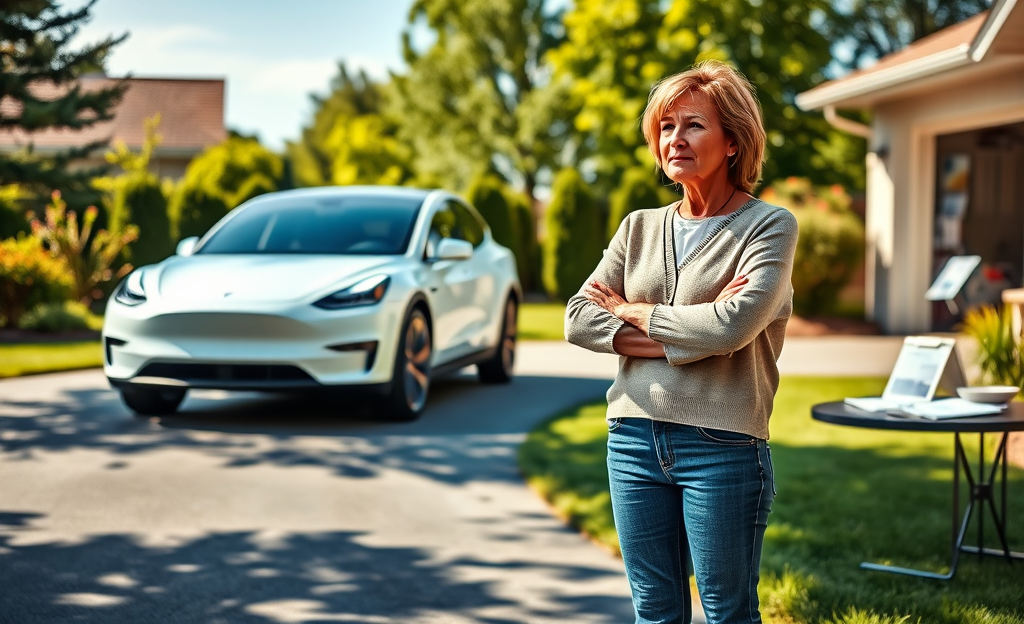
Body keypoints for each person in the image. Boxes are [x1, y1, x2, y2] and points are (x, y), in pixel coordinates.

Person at [564, 60, 798, 624]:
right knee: (655, 609)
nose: (675, 139)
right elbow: (576, 318)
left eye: (693, 125)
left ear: (734, 141)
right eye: (666, 127)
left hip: (723, 445)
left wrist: (630, 311)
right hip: (632, 440)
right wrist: (694, 330)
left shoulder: (769, 226)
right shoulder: (638, 227)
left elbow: (731, 327)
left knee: (727, 612)